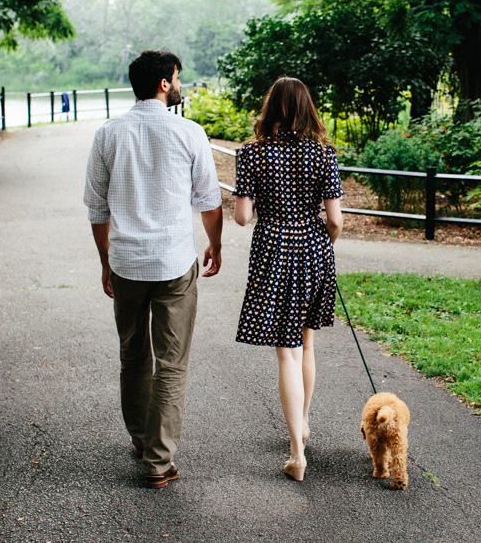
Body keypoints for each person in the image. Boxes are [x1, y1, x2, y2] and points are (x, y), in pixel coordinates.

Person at [83, 49, 223, 489]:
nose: (180, 84)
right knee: (172, 362)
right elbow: (209, 200)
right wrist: (215, 245)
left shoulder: (109, 133)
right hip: (174, 262)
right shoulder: (190, 132)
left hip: (126, 262)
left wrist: (106, 262)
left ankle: (142, 439)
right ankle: (158, 461)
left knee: (134, 355)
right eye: (178, 77)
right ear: (164, 83)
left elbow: (96, 207)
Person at [233, 76, 344, 482]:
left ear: (271, 108)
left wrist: (257, 206)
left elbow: (243, 217)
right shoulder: (323, 154)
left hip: (274, 249)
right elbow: (335, 220)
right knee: (307, 344)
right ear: (306, 109)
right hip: (314, 248)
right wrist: (323, 242)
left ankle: (297, 452)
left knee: (287, 352)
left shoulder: (252, 154)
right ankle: (304, 422)